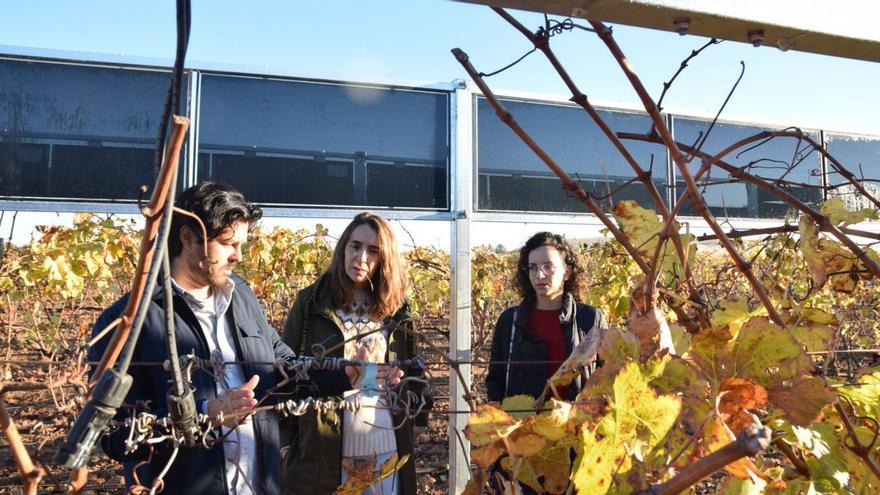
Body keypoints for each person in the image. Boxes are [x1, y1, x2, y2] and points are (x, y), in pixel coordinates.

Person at [89, 182, 353, 494]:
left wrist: (345, 373)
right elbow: (113, 433)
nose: (238, 256)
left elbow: (281, 366)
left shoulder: (239, 294)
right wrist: (204, 413)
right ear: (188, 238)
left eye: (241, 244)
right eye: (228, 244)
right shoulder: (128, 322)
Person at [281, 212, 429, 495]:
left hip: (386, 443)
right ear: (343, 248)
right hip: (325, 445)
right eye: (355, 246)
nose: (361, 258)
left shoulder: (398, 310)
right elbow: (286, 370)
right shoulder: (310, 303)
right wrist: (285, 438)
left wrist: (418, 418)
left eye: (373, 251)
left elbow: (413, 369)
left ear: (385, 259)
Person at [486, 232, 606, 403]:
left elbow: (605, 374)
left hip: (576, 424)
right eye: (533, 267)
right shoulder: (510, 320)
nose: (539, 275)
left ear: (567, 272)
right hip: (525, 425)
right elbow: (495, 378)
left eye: (548, 266)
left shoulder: (590, 318)